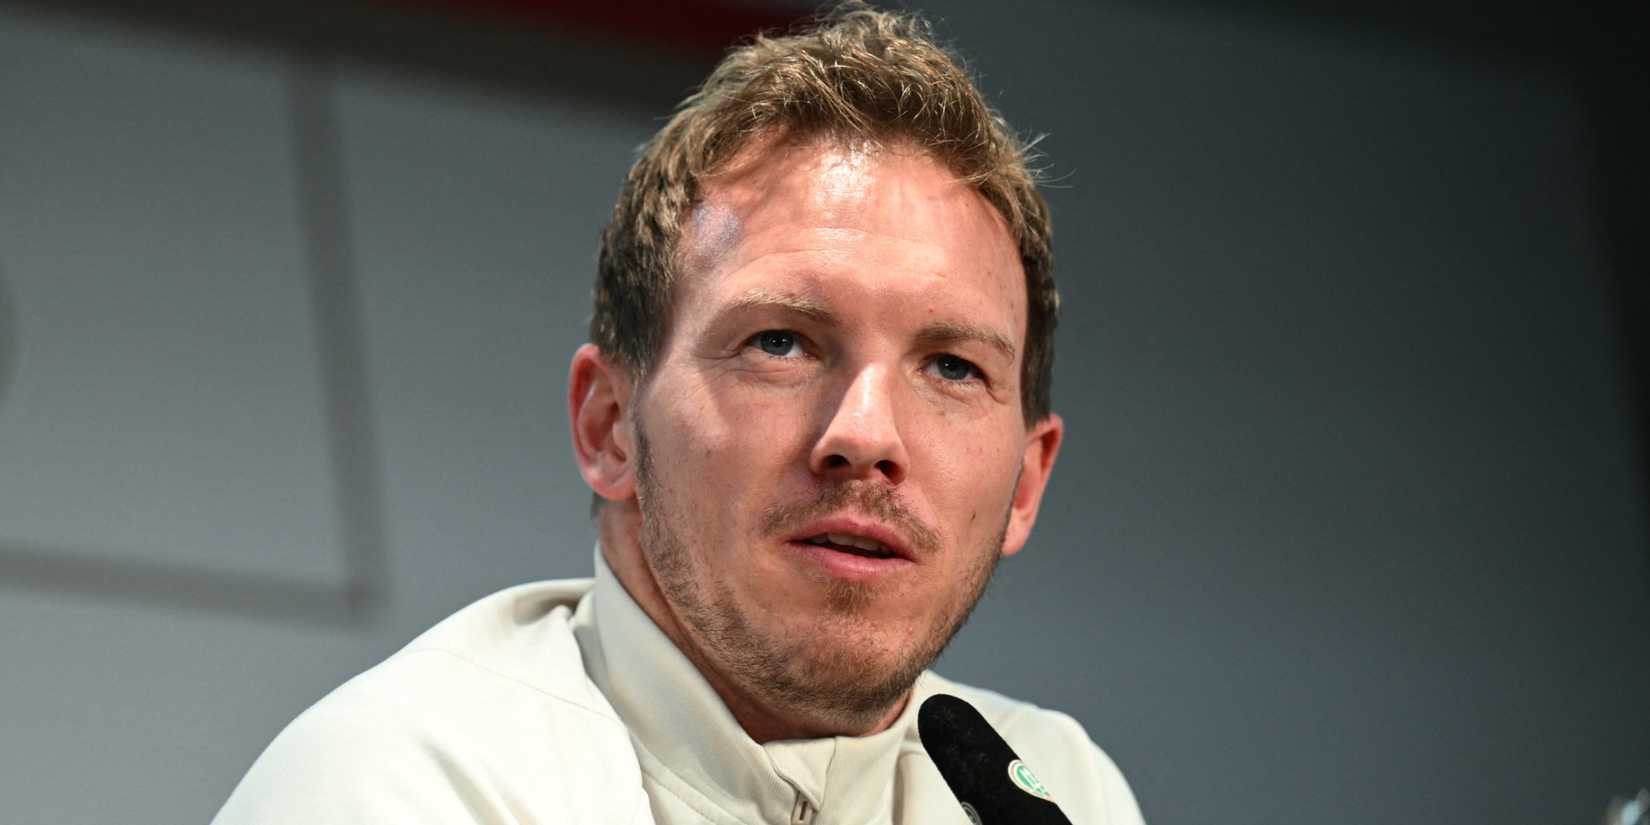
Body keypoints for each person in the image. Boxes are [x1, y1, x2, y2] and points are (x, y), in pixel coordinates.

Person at [212, 4, 1145, 823]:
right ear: (610, 425)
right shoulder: (400, 789)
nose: (865, 434)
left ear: (1027, 482)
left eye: (949, 365)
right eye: (780, 342)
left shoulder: (1058, 792)